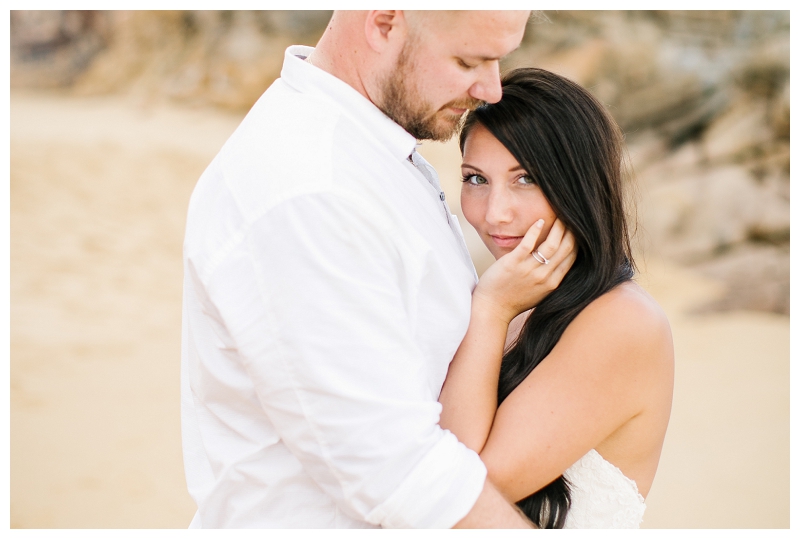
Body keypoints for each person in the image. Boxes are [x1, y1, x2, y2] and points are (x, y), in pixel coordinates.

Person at [180, 11, 575, 528]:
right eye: (469, 61)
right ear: (385, 22)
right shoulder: (311, 186)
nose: (492, 89)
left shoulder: (369, 150)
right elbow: (395, 472)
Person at [436, 67, 675, 528]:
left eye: (525, 178)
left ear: (578, 185)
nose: (494, 213)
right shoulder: (523, 296)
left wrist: (490, 310)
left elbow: (452, 495)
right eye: (476, 179)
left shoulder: (622, 322)